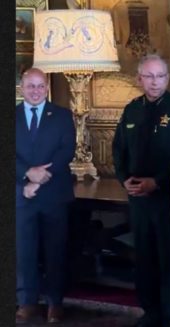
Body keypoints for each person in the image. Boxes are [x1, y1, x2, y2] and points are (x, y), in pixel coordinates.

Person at [112, 54, 170, 327]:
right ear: (139, 79)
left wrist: (157, 182)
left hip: (167, 198)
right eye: (149, 76)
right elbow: (118, 149)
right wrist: (124, 180)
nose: (154, 82)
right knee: (143, 257)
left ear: (168, 79)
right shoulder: (132, 109)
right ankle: (151, 311)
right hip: (138, 199)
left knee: (169, 259)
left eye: (160, 76)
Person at [16, 68, 76, 324]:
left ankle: (55, 303)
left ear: (46, 88)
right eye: (31, 86)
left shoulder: (62, 115)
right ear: (21, 88)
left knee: (55, 250)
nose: (36, 91)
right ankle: (27, 302)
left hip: (53, 194)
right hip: (20, 194)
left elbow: (67, 151)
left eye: (41, 86)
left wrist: (37, 181)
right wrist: (26, 174)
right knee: (23, 251)